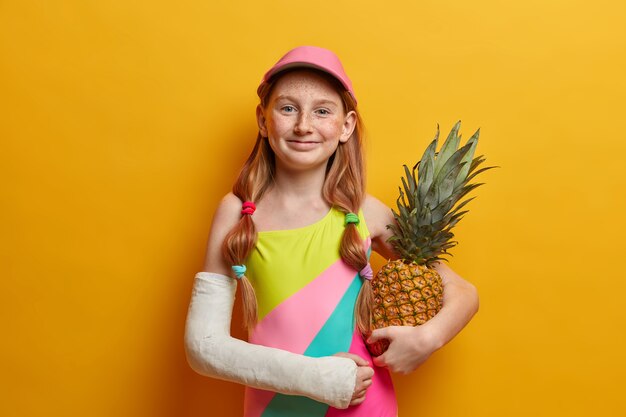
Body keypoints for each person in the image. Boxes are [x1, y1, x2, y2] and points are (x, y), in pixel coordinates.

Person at [184, 46, 479, 417]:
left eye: (322, 111)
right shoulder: (236, 212)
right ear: (263, 120)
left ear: (346, 126)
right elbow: (203, 346)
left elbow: (463, 291)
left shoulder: (364, 212)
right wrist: (320, 379)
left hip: (365, 408)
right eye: (288, 108)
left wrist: (427, 338)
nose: (304, 125)